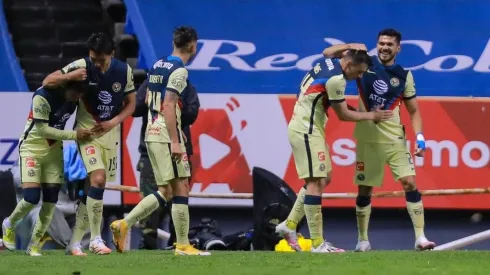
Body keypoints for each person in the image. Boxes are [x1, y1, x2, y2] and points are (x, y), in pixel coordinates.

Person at [322, 28, 434, 251]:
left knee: (410, 183)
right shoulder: (363, 64)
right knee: (365, 190)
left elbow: (414, 111)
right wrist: (349, 45)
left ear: (398, 48)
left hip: (395, 140)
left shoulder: (404, 76)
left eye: (389, 44)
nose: (384, 47)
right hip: (367, 140)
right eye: (381, 43)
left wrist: (420, 137)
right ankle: (363, 240)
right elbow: (327, 53)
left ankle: (420, 238)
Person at [274, 49, 393, 253]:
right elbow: (343, 115)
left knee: (324, 178)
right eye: (358, 72)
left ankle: (289, 225)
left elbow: (329, 52)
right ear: (349, 65)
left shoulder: (329, 62)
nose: (359, 77)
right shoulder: (337, 80)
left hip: (312, 129)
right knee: (315, 183)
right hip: (306, 130)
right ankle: (318, 243)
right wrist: (372, 116)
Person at [110, 26, 210, 256]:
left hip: (151, 133)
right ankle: (183, 245)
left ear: (174, 43)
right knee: (181, 186)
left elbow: (145, 100)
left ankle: (123, 224)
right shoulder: (180, 71)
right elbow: (168, 104)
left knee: (165, 190)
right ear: (193, 46)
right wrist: (176, 140)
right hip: (166, 136)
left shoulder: (158, 65)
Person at [42, 32, 136, 255]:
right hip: (86, 134)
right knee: (99, 178)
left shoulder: (124, 71)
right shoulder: (82, 65)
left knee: (93, 188)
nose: (96, 64)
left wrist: (113, 122)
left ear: (111, 54)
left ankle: (75, 242)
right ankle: (96, 239)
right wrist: (70, 75)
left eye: (100, 60)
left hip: (110, 134)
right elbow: (47, 81)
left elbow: (131, 104)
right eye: (93, 59)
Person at [2, 79, 93, 256]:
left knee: (51, 203)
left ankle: (34, 245)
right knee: (32, 198)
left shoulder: (72, 103)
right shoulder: (41, 97)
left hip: (53, 153)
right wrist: (74, 135)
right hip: (32, 150)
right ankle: (9, 224)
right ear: (65, 87)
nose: (77, 98)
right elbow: (43, 130)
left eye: (80, 95)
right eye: (75, 94)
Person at [132, 78, 200, 249]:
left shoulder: (185, 84)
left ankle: (179, 243)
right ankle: (147, 245)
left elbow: (192, 113)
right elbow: (134, 108)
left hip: (179, 151)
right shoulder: (149, 84)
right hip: (152, 153)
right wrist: (154, 104)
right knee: (152, 201)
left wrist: (172, 108)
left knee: (179, 198)